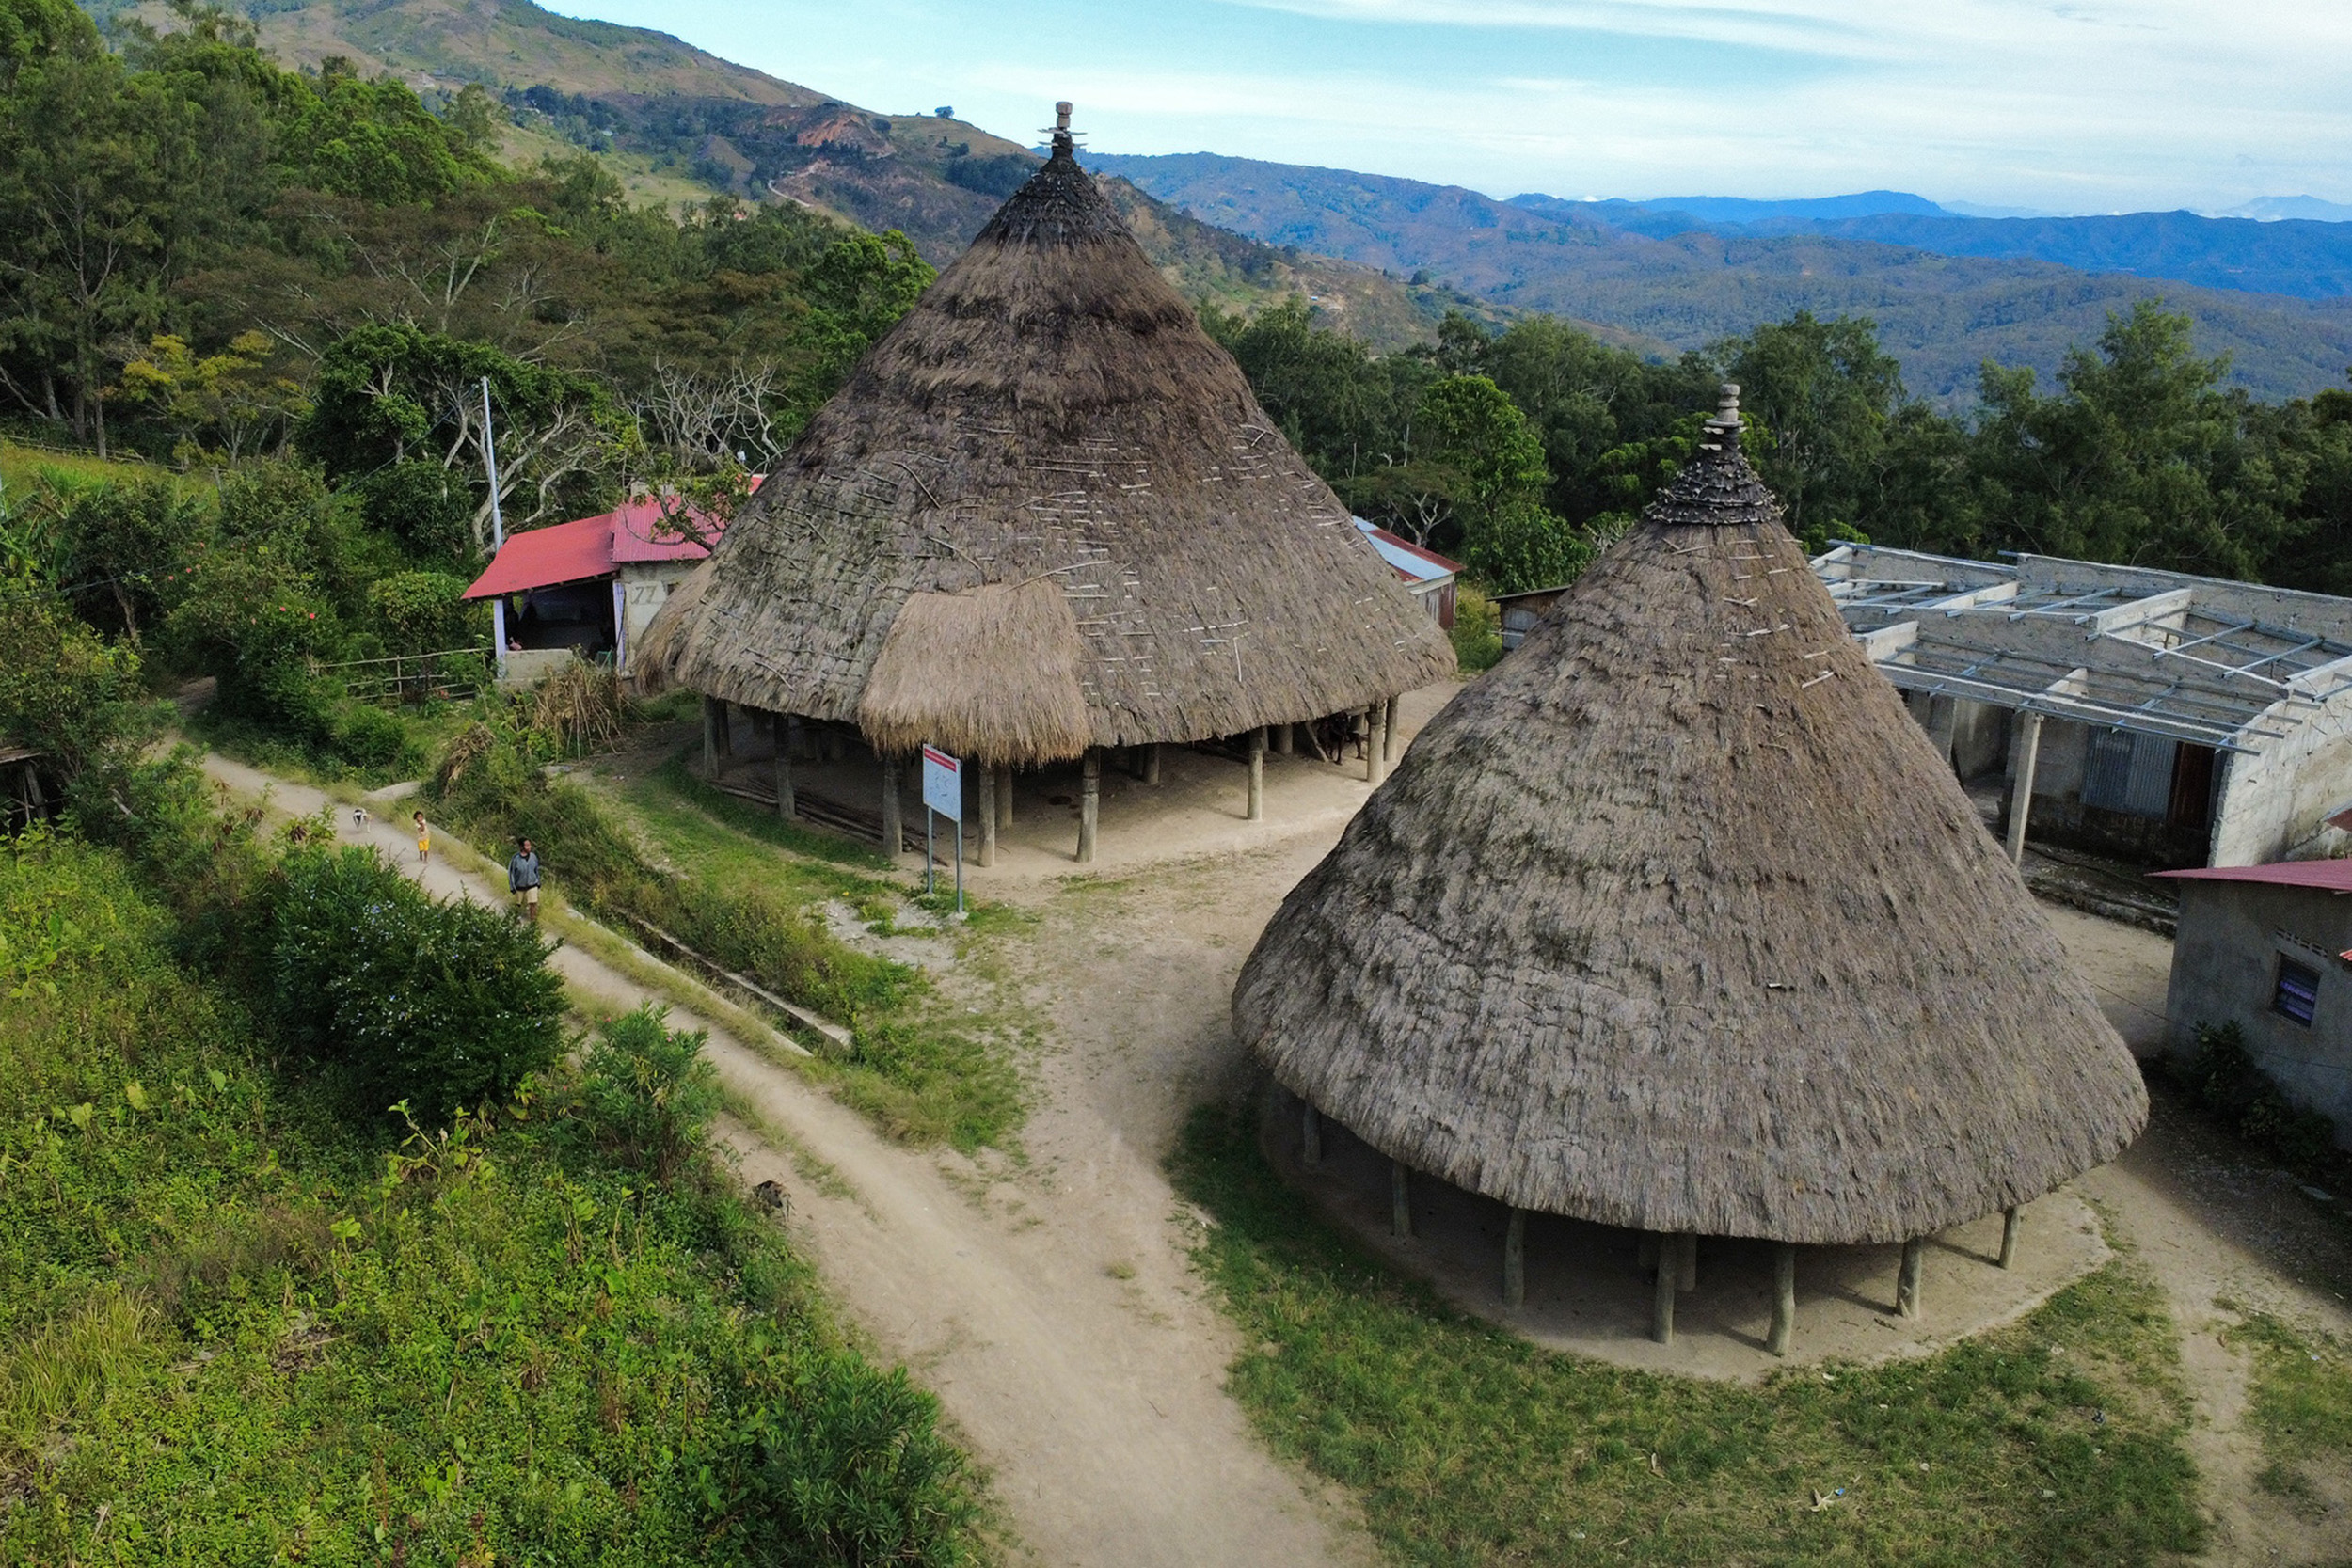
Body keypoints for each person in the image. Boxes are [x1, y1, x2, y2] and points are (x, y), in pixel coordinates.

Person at [508, 836, 542, 921]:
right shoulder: (515, 859)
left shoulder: (533, 857)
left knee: (533, 903)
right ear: (521, 847)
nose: (529, 847)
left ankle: (533, 922)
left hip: (532, 884)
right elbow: (511, 873)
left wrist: (538, 881)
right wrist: (512, 886)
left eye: (529, 845)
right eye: (527, 845)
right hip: (520, 885)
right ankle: (515, 919)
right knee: (518, 904)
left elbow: (536, 870)